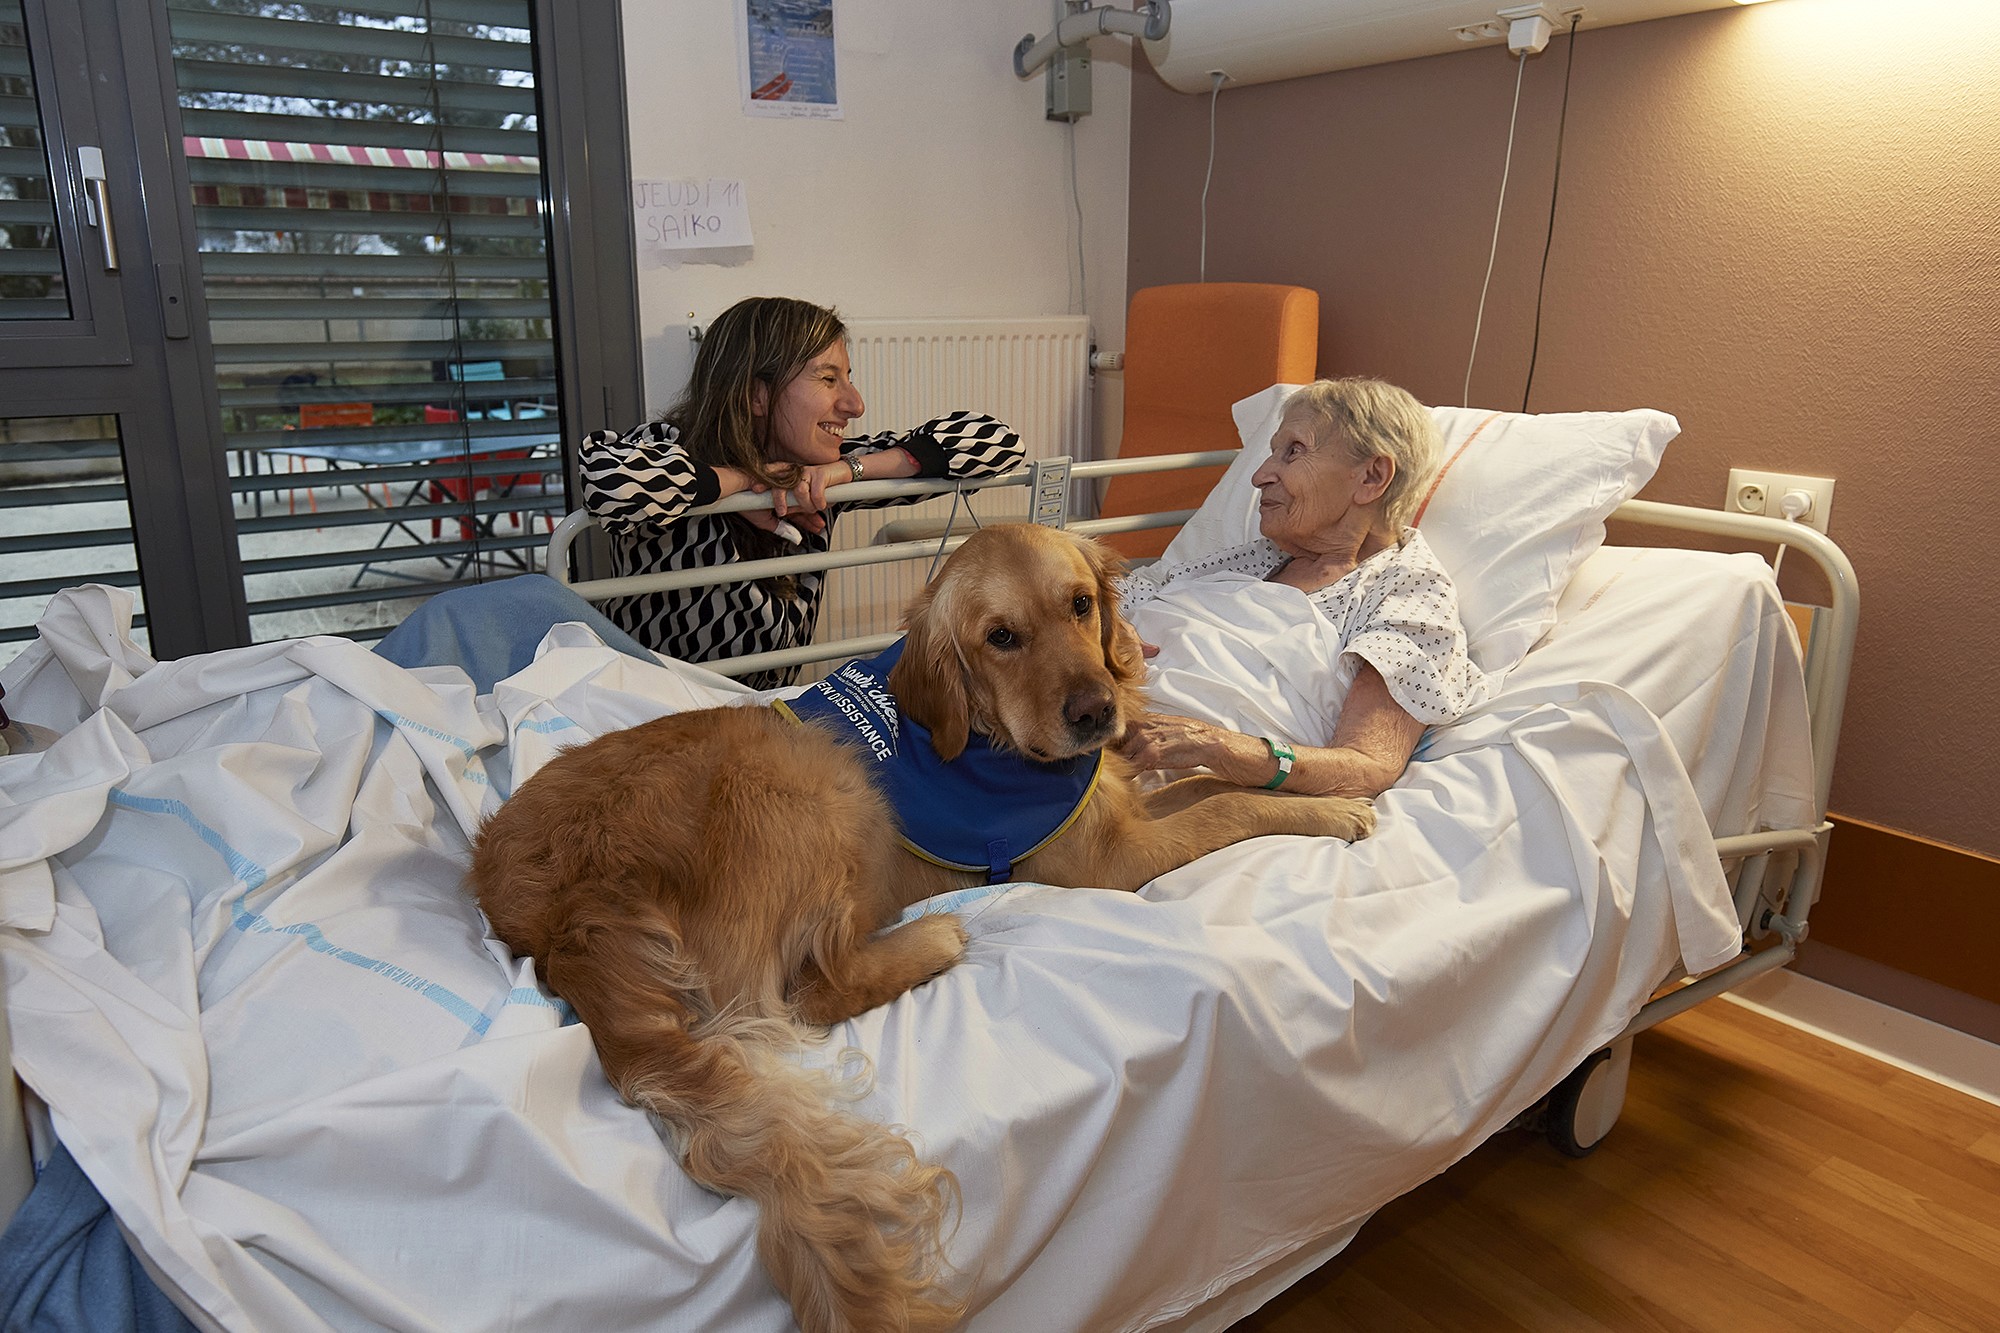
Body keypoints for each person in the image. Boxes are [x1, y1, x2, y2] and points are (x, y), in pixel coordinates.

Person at [580, 296, 1024, 688]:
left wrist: (849, 469)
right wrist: (748, 482)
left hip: (757, 717)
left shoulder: (819, 468)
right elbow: (609, 482)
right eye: (829, 379)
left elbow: (998, 443)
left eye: (847, 378)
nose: (854, 404)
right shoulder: (666, 452)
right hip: (653, 715)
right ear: (756, 395)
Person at [1113, 377, 1488, 800]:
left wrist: (1213, 745)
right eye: (1271, 452)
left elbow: (1366, 766)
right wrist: (1109, 627)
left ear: (1371, 477)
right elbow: (1118, 597)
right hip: (1092, 713)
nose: (1259, 476)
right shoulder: (1254, 559)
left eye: (1293, 451)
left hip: (1150, 775)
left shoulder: (1407, 592)